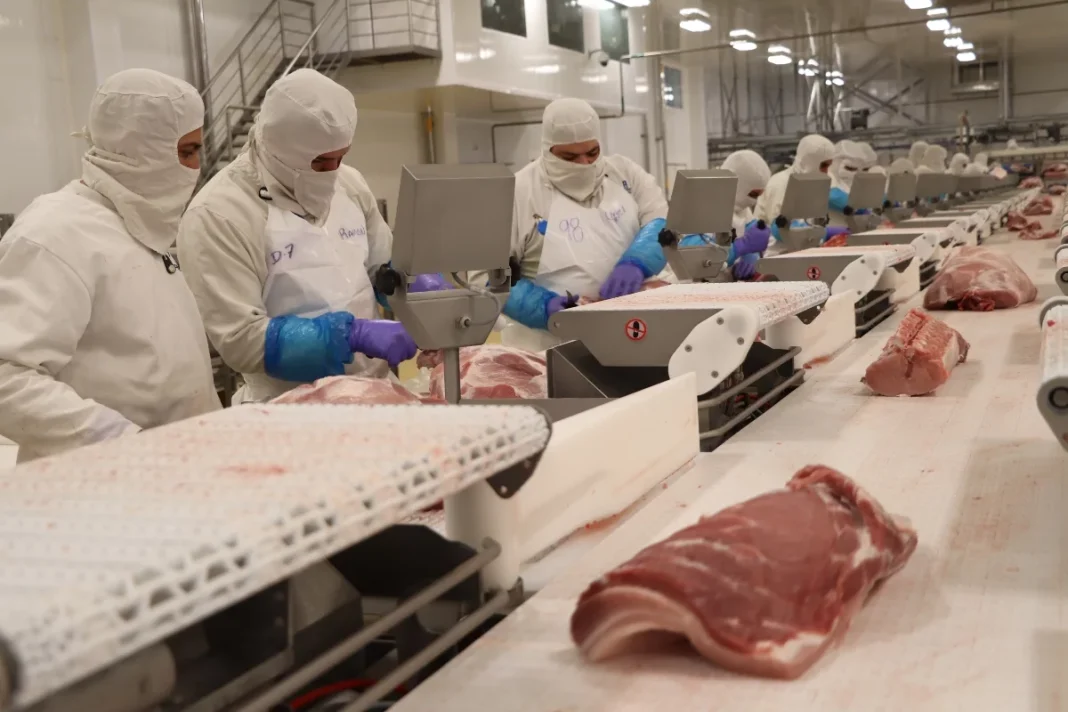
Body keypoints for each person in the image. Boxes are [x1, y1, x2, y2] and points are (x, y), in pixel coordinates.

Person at [0, 69, 220, 463]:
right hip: (97, 477)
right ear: (138, 149)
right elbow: (7, 376)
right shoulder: (54, 233)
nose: (196, 166)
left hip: (178, 465)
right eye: (186, 151)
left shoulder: (140, 223)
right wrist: (119, 441)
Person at [178, 69, 431, 403]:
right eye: (321, 162)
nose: (333, 171)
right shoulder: (219, 213)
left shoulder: (350, 184)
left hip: (375, 391)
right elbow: (242, 340)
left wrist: (418, 290)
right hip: (288, 408)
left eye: (341, 157)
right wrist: (351, 336)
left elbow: (384, 268)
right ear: (280, 150)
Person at [500, 97, 668, 350]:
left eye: (592, 153)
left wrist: (637, 262)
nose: (584, 164)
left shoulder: (625, 174)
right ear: (548, 149)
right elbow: (490, 276)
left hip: (630, 334)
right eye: (569, 157)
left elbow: (660, 223)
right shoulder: (518, 192)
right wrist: (540, 306)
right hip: (544, 348)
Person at [679, 150, 771, 281]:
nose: (754, 202)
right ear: (738, 185)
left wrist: (749, 260)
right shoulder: (698, 202)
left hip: (724, 286)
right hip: (692, 286)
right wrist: (739, 247)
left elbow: (746, 237)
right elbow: (693, 258)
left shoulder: (739, 205)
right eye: (753, 194)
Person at [754, 134, 840, 251]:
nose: (826, 171)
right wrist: (814, 233)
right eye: (823, 165)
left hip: (804, 250)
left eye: (828, 166)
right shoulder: (780, 183)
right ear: (809, 162)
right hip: (779, 253)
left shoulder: (813, 183)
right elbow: (780, 230)